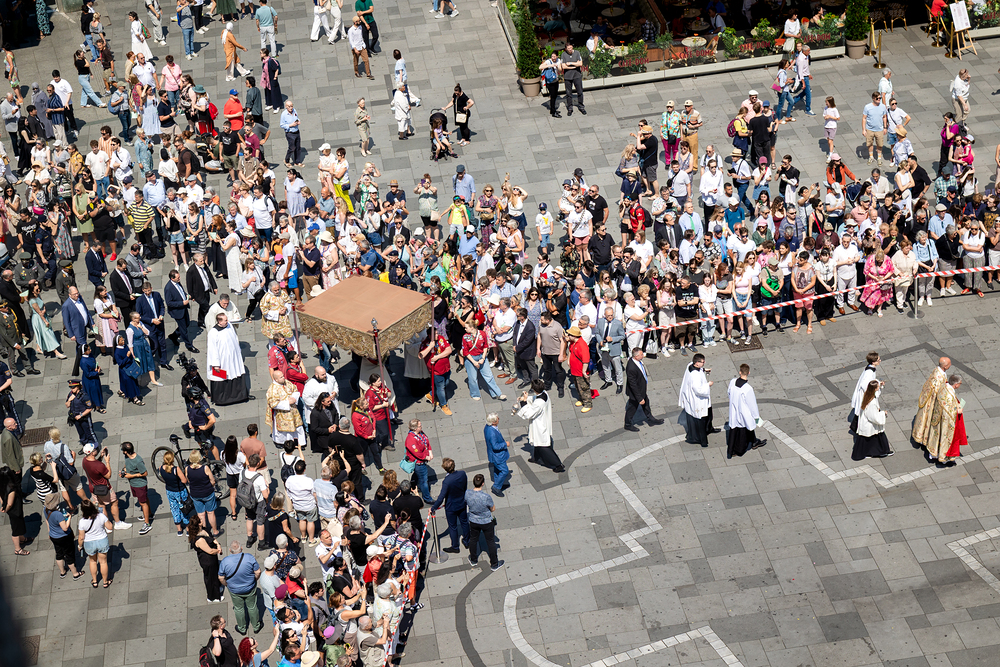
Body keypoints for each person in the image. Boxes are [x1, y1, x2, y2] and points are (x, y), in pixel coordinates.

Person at [515, 378, 565, 472]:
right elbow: (535, 399)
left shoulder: (539, 403)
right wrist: (526, 398)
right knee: (537, 443)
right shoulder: (544, 393)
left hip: (539, 425)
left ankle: (558, 465)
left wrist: (524, 402)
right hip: (542, 420)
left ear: (534, 389)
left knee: (543, 446)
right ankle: (536, 458)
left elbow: (529, 414)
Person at [219, 541, 264, 635]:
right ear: (241, 548)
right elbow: (258, 572)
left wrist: (226, 584)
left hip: (234, 590)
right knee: (252, 607)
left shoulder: (225, 561)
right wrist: (254, 580)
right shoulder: (249, 558)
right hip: (250, 587)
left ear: (230, 550)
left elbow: (221, 577)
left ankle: (242, 628)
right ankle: (256, 626)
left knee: (239, 608)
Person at [206, 313, 250, 405]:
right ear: (219, 321)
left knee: (235, 373)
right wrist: (216, 364)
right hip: (223, 360)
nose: (227, 321)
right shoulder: (213, 333)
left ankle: (239, 396)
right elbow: (212, 349)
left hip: (233, 357)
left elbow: (235, 338)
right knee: (223, 377)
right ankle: (222, 399)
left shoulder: (229, 325)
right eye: (225, 320)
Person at [430, 457, 469, 554]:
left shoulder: (447, 481)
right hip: (462, 503)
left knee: (453, 527)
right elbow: (465, 487)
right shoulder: (462, 474)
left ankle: (455, 546)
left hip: (451, 507)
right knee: (464, 522)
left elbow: (441, 497)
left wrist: (433, 508)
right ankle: (467, 541)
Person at [726, 364, 766, 457]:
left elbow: (729, 393)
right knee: (744, 429)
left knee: (734, 428)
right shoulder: (748, 388)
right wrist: (756, 416)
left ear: (740, 372)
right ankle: (739, 450)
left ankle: (753, 441)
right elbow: (752, 404)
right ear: (749, 373)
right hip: (743, 412)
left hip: (734, 409)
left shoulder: (732, 382)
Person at [465, 474, 503, 571]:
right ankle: (494, 564)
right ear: (482, 483)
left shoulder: (467, 493)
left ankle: (473, 559)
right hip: (486, 522)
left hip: (473, 520)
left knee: (473, 539)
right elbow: (493, 509)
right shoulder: (486, 497)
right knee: (490, 541)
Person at [913, 357, 952, 447]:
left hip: (929, 399)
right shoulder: (938, 377)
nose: (950, 365)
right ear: (945, 366)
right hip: (932, 403)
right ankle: (926, 439)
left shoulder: (937, 370)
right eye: (949, 364)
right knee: (929, 419)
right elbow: (938, 393)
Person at [678, 353, 714, 446]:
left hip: (697, 398)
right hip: (698, 401)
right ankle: (702, 441)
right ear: (697, 363)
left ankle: (709, 428)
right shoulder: (695, 376)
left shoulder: (691, 365)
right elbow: (698, 390)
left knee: (709, 414)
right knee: (701, 420)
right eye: (702, 362)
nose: (704, 363)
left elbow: (699, 369)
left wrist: (704, 369)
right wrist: (708, 385)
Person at [623, 348, 663, 432]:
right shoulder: (631, 368)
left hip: (641, 390)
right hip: (636, 393)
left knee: (646, 405)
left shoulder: (637, 362)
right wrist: (639, 398)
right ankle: (627, 424)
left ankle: (650, 419)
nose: (643, 355)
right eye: (641, 354)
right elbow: (633, 385)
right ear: (636, 356)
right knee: (632, 408)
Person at [44, 493, 83, 579]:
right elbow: (65, 528)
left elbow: (47, 521)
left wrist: (49, 532)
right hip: (64, 537)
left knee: (59, 554)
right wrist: (69, 517)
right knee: (69, 554)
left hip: (54, 536)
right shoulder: (57, 514)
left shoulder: (45, 510)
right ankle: (75, 574)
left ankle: (62, 572)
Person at [851, 380, 892, 461]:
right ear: (875, 388)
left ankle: (873, 452)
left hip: (865, 423)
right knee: (876, 438)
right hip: (869, 424)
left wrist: (880, 385)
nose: (878, 388)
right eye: (878, 387)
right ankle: (880, 452)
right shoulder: (872, 403)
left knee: (867, 439)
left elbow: (876, 394)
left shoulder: (867, 394)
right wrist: (883, 413)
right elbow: (873, 417)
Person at [76, 498, 113, 585]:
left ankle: (95, 581)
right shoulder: (101, 516)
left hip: (89, 543)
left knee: (92, 561)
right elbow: (110, 527)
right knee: (103, 562)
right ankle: (105, 582)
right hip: (102, 541)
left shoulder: (82, 522)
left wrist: (80, 546)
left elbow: (81, 537)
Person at [120, 441, 153, 535]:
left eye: (122, 450)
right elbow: (126, 465)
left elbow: (145, 473)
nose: (122, 451)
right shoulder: (127, 456)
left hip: (139, 485)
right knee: (144, 499)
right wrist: (124, 471)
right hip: (133, 484)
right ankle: (149, 514)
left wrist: (132, 476)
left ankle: (147, 524)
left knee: (142, 503)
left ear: (125, 451)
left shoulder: (138, 461)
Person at [190, 514, 225, 602]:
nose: (202, 520)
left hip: (212, 558)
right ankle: (213, 597)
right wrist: (218, 550)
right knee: (210, 578)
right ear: (199, 524)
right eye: (200, 520)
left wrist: (217, 544)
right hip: (207, 560)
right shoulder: (199, 540)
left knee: (215, 573)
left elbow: (211, 538)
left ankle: (217, 587)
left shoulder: (204, 529)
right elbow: (210, 551)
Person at [403, 419, 434, 503]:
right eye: (420, 426)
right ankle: (427, 498)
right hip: (419, 463)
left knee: (417, 475)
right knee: (424, 481)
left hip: (422, 461)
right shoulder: (411, 440)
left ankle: (412, 486)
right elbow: (418, 454)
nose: (421, 427)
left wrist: (430, 451)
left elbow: (426, 441)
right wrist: (427, 457)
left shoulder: (420, 433)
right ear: (415, 428)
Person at [850, 352, 880, 433]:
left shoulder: (870, 368)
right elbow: (865, 385)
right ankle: (856, 428)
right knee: (863, 412)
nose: (880, 361)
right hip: (865, 395)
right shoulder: (869, 372)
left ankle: (856, 427)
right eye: (878, 360)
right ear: (873, 362)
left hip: (866, 394)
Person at [483, 413, 511, 497]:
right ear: (493, 422)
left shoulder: (487, 427)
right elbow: (495, 446)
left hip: (494, 456)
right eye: (497, 418)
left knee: (497, 469)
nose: (499, 419)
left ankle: (498, 482)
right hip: (498, 456)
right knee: (504, 471)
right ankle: (496, 487)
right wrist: (505, 444)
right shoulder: (492, 433)